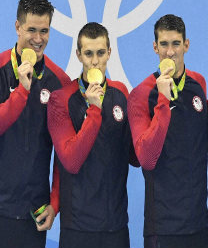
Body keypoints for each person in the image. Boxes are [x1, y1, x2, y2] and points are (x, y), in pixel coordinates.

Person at [0, 0, 70, 248]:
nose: (38, 39)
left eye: (44, 31)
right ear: (17, 26)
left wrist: (55, 202)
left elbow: (63, 151)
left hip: (32, 216)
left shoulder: (60, 83)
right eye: (31, 30)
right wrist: (22, 92)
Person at [47, 22, 138, 248]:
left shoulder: (121, 93)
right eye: (88, 54)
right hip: (78, 226)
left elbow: (135, 157)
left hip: (115, 226)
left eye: (100, 53)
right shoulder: (61, 99)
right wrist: (95, 110)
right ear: (79, 55)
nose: (95, 61)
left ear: (109, 53)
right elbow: (70, 160)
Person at [128, 14, 208, 248]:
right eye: (164, 44)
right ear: (155, 47)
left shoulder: (199, 84)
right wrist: (163, 99)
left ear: (186, 45)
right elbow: (146, 158)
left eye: (176, 43)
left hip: (198, 223)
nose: (170, 52)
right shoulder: (141, 94)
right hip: (162, 227)